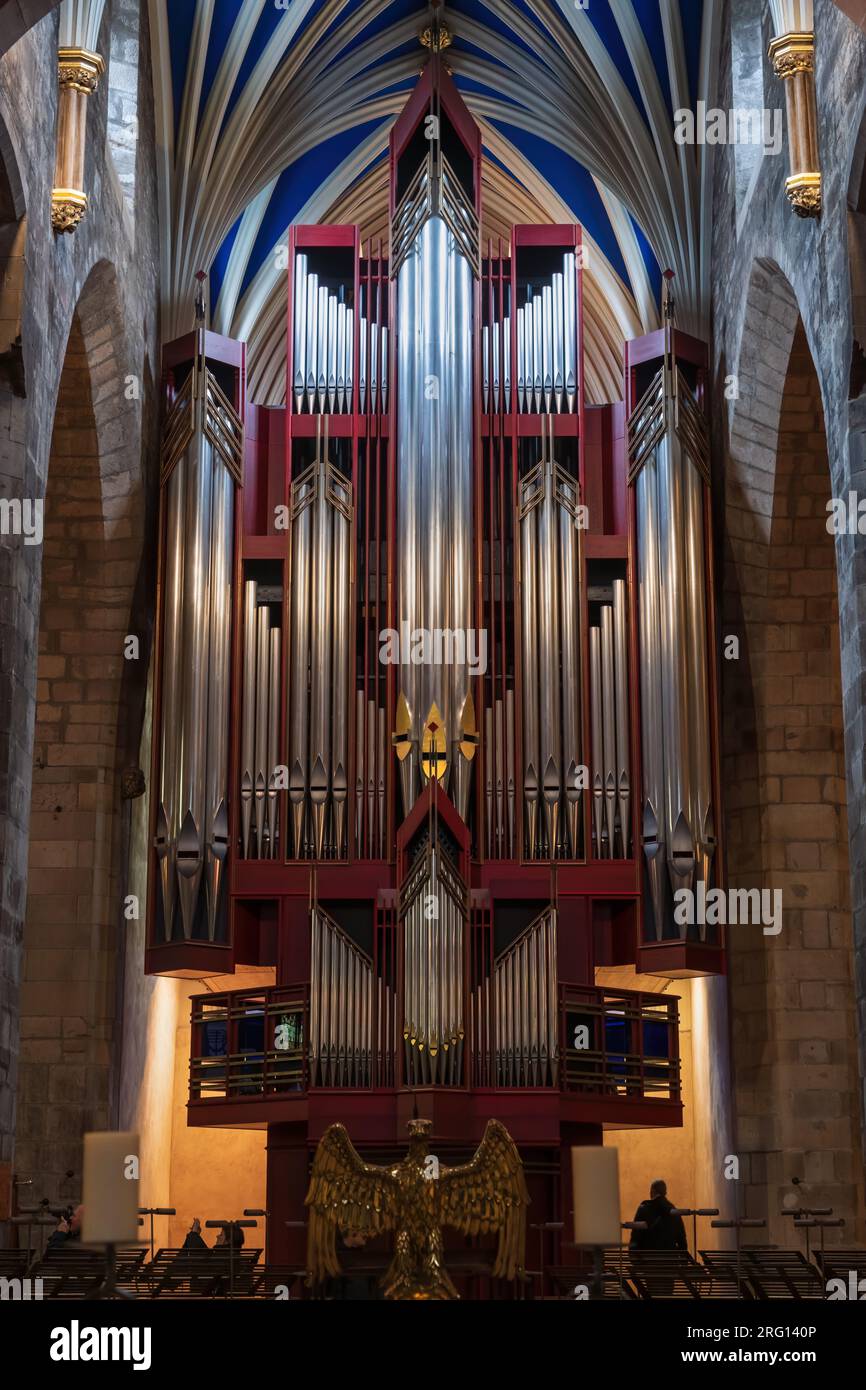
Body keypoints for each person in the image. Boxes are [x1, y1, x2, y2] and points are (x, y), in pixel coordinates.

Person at [629, 1180, 687, 1251]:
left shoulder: (643, 1209)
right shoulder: (673, 1211)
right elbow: (682, 1239)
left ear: (652, 1191)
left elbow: (635, 1236)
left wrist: (633, 1256)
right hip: (670, 1259)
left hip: (647, 1258)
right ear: (665, 1193)